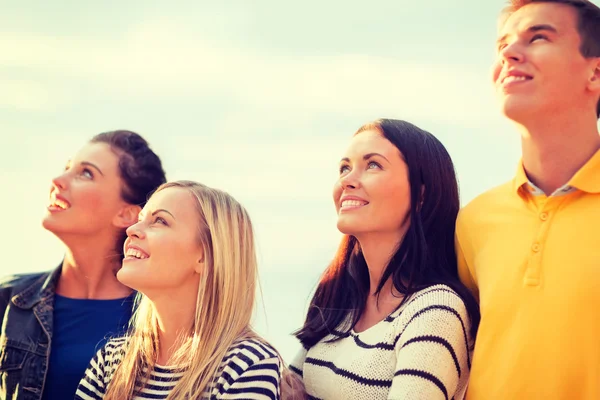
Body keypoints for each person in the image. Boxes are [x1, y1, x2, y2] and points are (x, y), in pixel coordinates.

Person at [455, 0, 600, 398]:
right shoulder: (473, 221)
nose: (509, 53)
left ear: (596, 71)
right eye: (502, 44)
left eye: (538, 37)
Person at [291, 119, 480, 400]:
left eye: (373, 165)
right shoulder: (338, 294)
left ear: (422, 195)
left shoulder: (436, 311)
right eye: (344, 168)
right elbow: (286, 388)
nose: (347, 180)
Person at [75, 180, 282, 400]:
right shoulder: (111, 360)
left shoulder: (247, 364)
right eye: (140, 220)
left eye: (160, 221)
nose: (132, 230)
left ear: (205, 256)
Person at [0, 130, 166, 400]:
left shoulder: (162, 319)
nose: (57, 180)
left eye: (86, 173)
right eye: (67, 168)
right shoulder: (9, 300)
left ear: (127, 214)